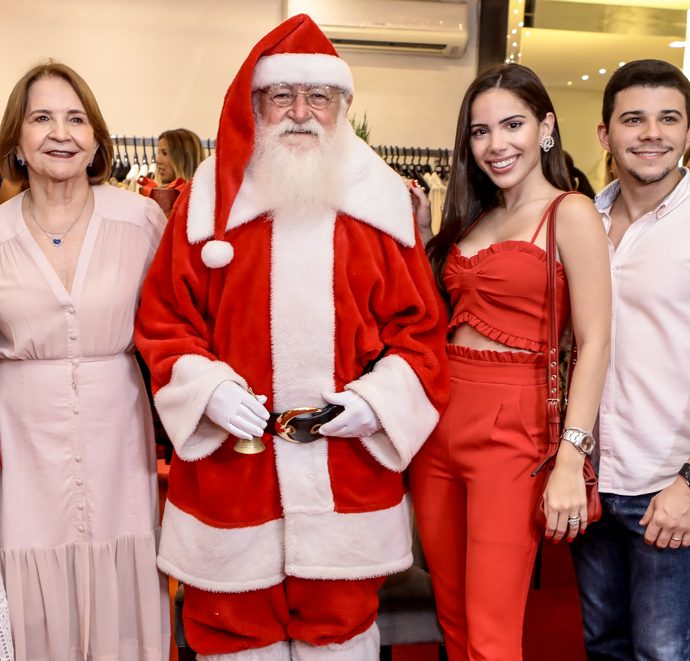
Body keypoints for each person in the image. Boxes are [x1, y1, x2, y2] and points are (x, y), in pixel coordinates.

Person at [135, 14, 447, 661]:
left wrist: (373, 402)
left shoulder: (384, 206)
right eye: (284, 95)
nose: (301, 113)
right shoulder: (202, 204)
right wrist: (208, 387)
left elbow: (421, 334)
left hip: (344, 472)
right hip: (232, 470)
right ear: (256, 102)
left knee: (340, 629)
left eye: (318, 97)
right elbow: (165, 319)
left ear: (343, 107)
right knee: (230, 626)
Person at [408, 63, 611, 660]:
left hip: (512, 428)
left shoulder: (569, 213)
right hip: (440, 422)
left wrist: (571, 457)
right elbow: (437, 314)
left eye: (513, 125)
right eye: (480, 131)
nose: (496, 144)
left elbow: (594, 342)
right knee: (453, 619)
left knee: (492, 631)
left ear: (545, 126)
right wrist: (424, 239)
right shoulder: (472, 216)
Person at [0, 61, 169, 660]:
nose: (60, 132)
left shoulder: (142, 220)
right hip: (24, 459)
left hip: (119, 449)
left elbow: (178, 327)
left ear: (97, 138)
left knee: (124, 599)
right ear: (17, 139)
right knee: (31, 608)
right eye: (41, 117)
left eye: (76, 118)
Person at [570, 59, 690, 661]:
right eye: (634, 119)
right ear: (605, 133)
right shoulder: (579, 219)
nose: (651, 133)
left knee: (664, 653)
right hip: (592, 480)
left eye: (668, 119)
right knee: (604, 646)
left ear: (688, 133)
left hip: (667, 487)